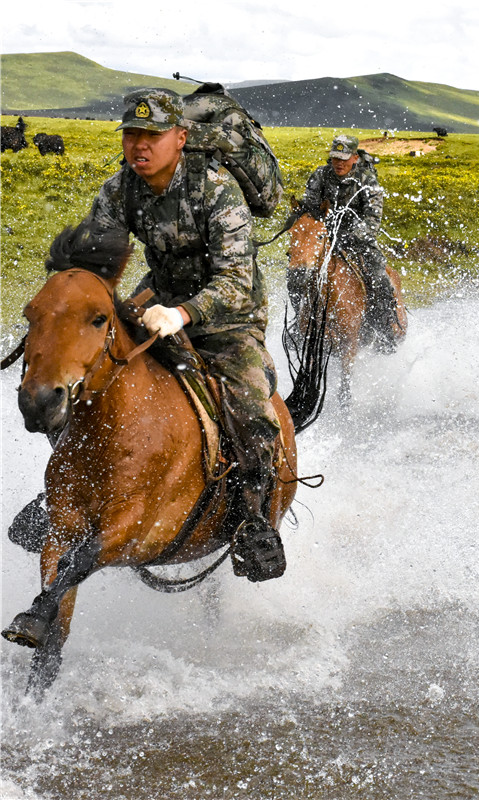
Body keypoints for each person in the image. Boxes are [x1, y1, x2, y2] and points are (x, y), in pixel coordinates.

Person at [77, 88, 285, 581]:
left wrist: (182, 314)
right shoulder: (119, 189)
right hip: (157, 302)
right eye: (131, 134)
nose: (139, 145)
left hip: (228, 318)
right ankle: (64, 490)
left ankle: (253, 518)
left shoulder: (216, 189)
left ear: (181, 137)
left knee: (250, 404)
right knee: (87, 374)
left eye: (152, 135)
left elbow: (235, 281)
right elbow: (94, 259)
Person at [294, 134, 400, 352]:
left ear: (354, 158)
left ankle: (382, 330)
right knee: (295, 275)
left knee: (380, 278)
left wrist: (351, 236)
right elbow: (310, 208)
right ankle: (300, 325)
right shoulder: (320, 175)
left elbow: (373, 218)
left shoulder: (367, 178)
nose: (339, 163)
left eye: (343, 158)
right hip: (324, 238)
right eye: (335, 158)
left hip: (358, 242)